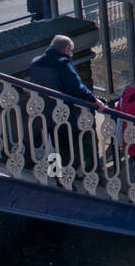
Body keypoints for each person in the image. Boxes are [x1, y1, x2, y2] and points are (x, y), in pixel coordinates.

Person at [27, 34, 105, 173]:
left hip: (44, 112)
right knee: (67, 148)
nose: (71, 55)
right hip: (63, 113)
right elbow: (76, 87)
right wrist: (94, 100)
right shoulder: (62, 63)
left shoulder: (35, 63)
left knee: (52, 144)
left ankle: (55, 174)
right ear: (66, 48)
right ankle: (66, 180)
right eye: (71, 51)